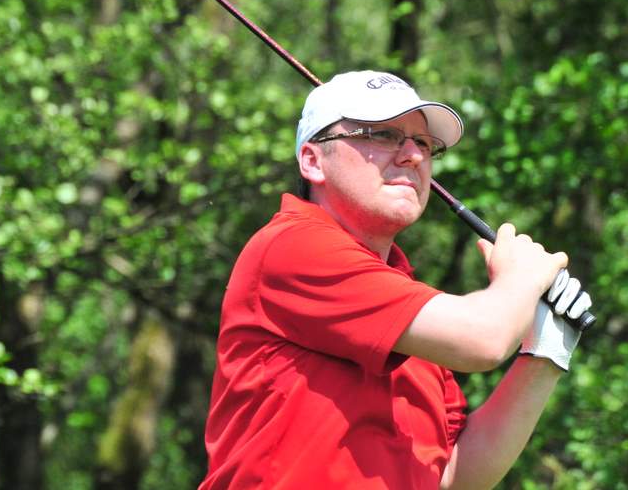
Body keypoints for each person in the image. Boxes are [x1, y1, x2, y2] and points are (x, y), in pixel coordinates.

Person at [200, 70, 592, 489]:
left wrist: (545, 353)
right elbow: (484, 340)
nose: (413, 156)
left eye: (423, 143)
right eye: (383, 135)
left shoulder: (409, 303)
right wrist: (521, 279)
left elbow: (452, 476)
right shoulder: (292, 247)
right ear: (312, 161)